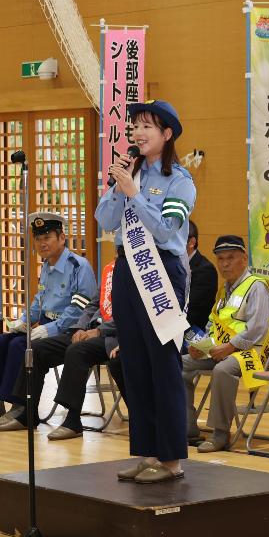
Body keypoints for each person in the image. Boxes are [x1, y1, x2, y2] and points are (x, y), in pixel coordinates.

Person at [96, 99, 196, 484]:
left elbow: (168, 230)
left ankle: (171, 460)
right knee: (134, 363)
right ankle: (147, 452)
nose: (137, 133)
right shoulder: (127, 172)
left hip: (161, 272)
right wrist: (121, 187)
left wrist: (135, 193)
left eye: (147, 127)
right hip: (126, 268)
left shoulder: (179, 181)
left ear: (166, 134)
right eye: (135, 126)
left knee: (162, 363)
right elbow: (104, 220)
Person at [0, 212, 97, 425]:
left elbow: (78, 311)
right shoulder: (47, 267)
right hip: (46, 325)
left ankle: (19, 406)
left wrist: (50, 329)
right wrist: (23, 321)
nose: (42, 244)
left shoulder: (78, 266)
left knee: (19, 346)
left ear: (61, 238)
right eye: (38, 239)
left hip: (68, 329)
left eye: (47, 238)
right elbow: (39, 302)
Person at [0, 270, 125, 436]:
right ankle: (28, 413)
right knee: (36, 349)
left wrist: (99, 331)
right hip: (89, 330)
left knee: (76, 351)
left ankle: (73, 420)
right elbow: (92, 305)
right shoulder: (110, 270)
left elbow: (131, 313)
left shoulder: (133, 270)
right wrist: (80, 327)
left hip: (114, 338)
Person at [182, 235, 269, 452]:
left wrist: (230, 347)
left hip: (251, 352)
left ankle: (220, 434)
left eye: (231, 258)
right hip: (222, 349)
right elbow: (213, 324)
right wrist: (201, 345)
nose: (225, 264)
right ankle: (186, 426)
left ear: (244, 259)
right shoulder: (224, 290)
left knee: (223, 370)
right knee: (182, 364)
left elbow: (257, 328)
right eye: (220, 259)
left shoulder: (256, 287)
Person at [186, 220, 218, 330]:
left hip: (192, 335)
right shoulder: (172, 264)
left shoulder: (205, 270)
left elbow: (194, 313)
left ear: (192, 242)